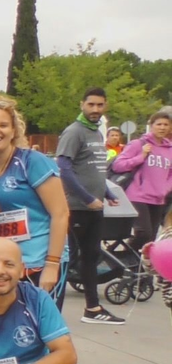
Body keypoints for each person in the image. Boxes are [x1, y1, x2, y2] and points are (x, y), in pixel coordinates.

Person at [0, 96, 70, 307]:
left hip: (39, 263)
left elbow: (60, 214)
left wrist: (52, 265)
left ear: (14, 131)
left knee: (40, 332)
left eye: (3, 125)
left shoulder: (32, 162)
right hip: (2, 269)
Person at [56, 88, 124, 324]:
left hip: (94, 207)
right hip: (77, 208)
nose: (95, 109)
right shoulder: (74, 132)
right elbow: (63, 169)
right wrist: (86, 198)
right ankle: (51, 314)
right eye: (91, 105)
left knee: (91, 257)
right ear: (82, 104)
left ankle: (93, 309)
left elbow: (94, 169)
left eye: (100, 105)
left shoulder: (95, 132)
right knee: (66, 259)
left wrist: (106, 193)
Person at [110, 107, 172, 250]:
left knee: (150, 238)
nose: (162, 128)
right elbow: (118, 165)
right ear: (151, 126)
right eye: (158, 124)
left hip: (158, 198)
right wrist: (141, 157)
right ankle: (121, 256)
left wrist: (165, 188)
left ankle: (138, 265)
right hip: (137, 196)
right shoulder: (139, 144)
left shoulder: (170, 149)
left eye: (166, 125)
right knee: (143, 233)